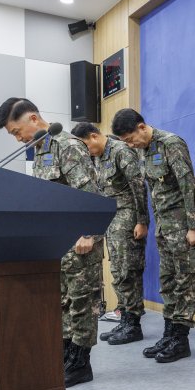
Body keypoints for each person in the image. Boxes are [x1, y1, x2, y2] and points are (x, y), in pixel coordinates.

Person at [0, 98, 104, 386]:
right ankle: (66, 354)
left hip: (80, 243)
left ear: (33, 119)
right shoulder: (41, 149)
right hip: (58, 244)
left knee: (81, 302)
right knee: (63, 303)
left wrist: (88, 234)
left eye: (17, 131)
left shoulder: (67, 145)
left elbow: (90, 193)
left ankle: (81, 364)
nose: (18, 139)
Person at [111, 108, 195, 363]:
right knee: (168, 281)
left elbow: (188, 185)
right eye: (125, 142)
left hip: (184, 226)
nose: (130, 145)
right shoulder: (144, 150)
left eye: (131, 139)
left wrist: (194, 226)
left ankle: (181, 340)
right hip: (165, 228)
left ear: (142, 127)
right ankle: (169, 334)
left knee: (186, 280)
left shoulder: (170, 143)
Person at [72, 123, 148, 346]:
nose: (86, 151)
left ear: (94, 136)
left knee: (127, 270)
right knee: (117, 270)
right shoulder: (99, 156)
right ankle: (125, 319)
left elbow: (138, 186)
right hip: (111, 218)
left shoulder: (120, 151)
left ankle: (133, 324)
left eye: (86, 145)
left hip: (127, 216)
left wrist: (142, 221)